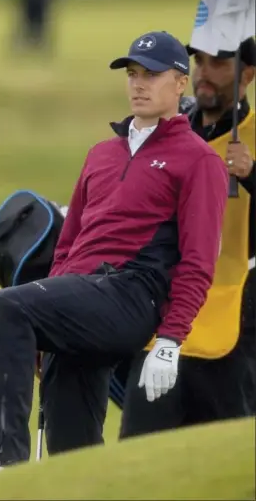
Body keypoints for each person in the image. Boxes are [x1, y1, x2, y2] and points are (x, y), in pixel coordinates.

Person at [0, 31, 229, 478]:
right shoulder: (100, 155)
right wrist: (47, 316)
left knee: (7, 306)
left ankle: (2, 457)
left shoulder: (198, 159)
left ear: (180, 83)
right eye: (133, 74)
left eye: (151, 75)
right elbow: (68, 246)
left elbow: (198, 259)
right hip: (82, 294)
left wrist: (172, 340)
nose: (138, 84)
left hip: (133, 293)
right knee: (71, 455)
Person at [119, 37, 256, 440]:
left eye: (218, 63)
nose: (204, 74)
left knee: (225, 458)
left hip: (237, 316)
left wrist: (252, 174)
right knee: (138, 452)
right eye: (199, 61)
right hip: (163, 307)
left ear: (247, 75)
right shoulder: (165, 131)